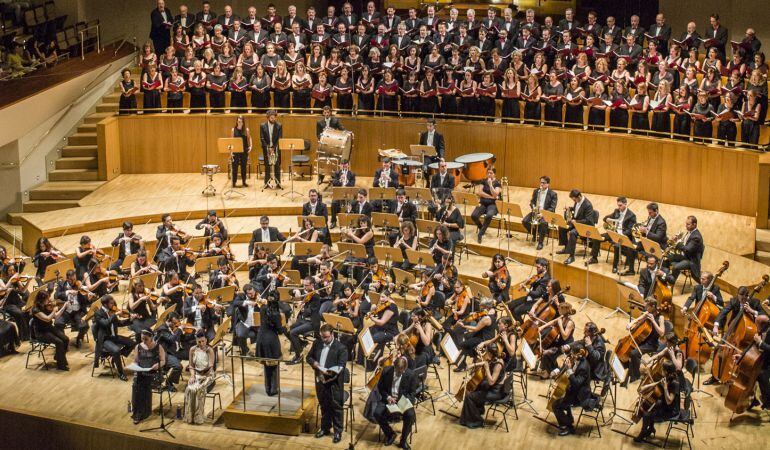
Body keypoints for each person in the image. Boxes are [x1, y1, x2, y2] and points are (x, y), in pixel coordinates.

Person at [307, 323, 348, 444]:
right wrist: (314, 363)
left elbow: (341, 366)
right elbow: (309, 357)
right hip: (320, 381)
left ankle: (337, 432)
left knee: (336, 408)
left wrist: (330, 374)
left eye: (326, 337)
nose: (324, 340)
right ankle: (325, 428)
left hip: (334, 384)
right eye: (322, 337)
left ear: (332, 334)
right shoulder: (317, 343)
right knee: (324, 406)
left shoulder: (341, 348)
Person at [459, 342, 508, 429]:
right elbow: (485, 363)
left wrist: (487, 369)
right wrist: (473, 365)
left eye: (486, 351)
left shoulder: (498, 365)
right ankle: (478, 410)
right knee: (477, 386)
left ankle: (476, 421)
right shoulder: (495, 359)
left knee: (469, 396)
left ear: (490, 353)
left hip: (495, 392)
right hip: (494, 388)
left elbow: (491, 382)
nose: (485, 353)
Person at [371, 356, 417, 449]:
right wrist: (388, 397)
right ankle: (390, 434)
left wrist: (405, 402)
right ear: (394, 367)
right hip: (388, 399)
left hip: (402, 401)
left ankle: (403, 441)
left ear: (405, 368)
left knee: (410, 415)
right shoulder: (386, 371)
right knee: (377, 413)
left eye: (402, 371)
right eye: (398, 371)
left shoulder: (411, 375)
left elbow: (412, 393)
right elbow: (380, 388)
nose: (400, 373)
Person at [634, 360, 682, 442]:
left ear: (666, 372)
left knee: (646, 415)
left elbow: (669, 401)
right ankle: (651, 429)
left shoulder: (675, 383)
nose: (661, 370)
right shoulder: (667, 377)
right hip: (665, 404)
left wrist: (665, 388)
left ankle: (643, 433)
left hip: (671, 410)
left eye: (662, 369)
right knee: (650, 406)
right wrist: (645, 386)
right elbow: (658, 383)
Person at [551, 343, 592, 436]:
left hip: (579, 395)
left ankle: (568, 427)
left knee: (555, 406)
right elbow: (565, 367)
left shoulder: (583, 367)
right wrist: (556, 371)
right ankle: (569, 418)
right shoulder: (577, 359)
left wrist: (569, 370)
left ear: (578, 354)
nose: (571, 355)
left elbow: (576, 384)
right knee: (562, 400)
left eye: (572, 354)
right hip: (572, 390)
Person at [94, 295, 137, 381]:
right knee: (116, 350)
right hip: (105, 339)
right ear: (105, 304)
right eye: (111, 303)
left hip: (114, 336)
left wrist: (130, 320)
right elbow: (105, 323)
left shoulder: (111, 312)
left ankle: (115, 357)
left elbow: (119, 323)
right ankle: (121, 373)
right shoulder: (98, 313)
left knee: (132, 342)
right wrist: (115, 315)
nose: (113, 304)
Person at [131, 329, 165, 424]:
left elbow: (163, 361)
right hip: (142, 372)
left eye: (146, 339)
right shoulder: (138, 346)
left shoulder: (158, 347)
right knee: (136, 384)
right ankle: (139, 411)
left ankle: (141, 412)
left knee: (142, 384)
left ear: (151, 337)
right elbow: (136, 361)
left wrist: (157, 366)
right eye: (142, 339)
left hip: (153, 373)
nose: (144, 341)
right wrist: (135, 367)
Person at [30, 291, 69, 371]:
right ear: (42, 299)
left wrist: (64, 307)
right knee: (59, 342)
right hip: (41, 333)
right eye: (47, 299)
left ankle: (58, 356)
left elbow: (56, 317)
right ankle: (61, 365)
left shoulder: (46, 306)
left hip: (49, 328)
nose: (49, 300)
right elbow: (47, 319)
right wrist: (54, 310)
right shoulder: (36, 309)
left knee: (65, 339)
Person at [557, 189, 596, 265]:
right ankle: (566, 248)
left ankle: (571, 256)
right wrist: (569, 208)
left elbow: (588, 220)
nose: (574, 201)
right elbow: (577, 210)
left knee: (572, 233)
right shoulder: (577, 201)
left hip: (585, 226)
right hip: (576, 223)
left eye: (574, 199)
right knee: (562, 227)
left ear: (579, 196)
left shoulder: (588, 205)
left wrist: (576, 222)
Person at [257, 292, 285, 396]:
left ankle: (267, 388)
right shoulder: (276, 314)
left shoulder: (263, 308)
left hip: (261, 338)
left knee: (266, 366)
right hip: (271, 340)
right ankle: (274, 389)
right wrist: (286, 327)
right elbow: (280, 330)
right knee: (273, 366)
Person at [184, 330, 215, 424]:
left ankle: (198, 417)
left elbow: (210, 366)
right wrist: (192, 376)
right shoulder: (192, 349)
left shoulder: (209, 350)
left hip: (208, 375)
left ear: (206, 340)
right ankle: (190, 417)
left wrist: (203, 376)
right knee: (190, 389)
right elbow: (191, 365)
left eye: (203, 341)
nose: (201, 343)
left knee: (199, 389)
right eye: (199, 342)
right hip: (196, 374)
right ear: (196, 341)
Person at [523, 176, 557, 250]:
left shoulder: (553, 194)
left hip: (545, 213)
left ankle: (540, 242)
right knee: (525, 221)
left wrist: (543, 214)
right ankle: (535, 234)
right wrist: (533, 207)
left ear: (548, 184)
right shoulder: (536, 191)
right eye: (541, 182)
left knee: (543, 223)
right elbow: (532, 201)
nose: (541, 184)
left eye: (543, 183)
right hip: (536, 211)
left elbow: (552, 208)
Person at [669, 216, 704, 284]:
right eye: (686, 224)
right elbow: (684, 243)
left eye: (688, 224)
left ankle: (671, 282)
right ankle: (666, 277)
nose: (686, 226)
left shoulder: (696, 237)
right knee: (667, 257)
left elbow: (687, 249)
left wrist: (677, 242)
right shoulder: (689, 232)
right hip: (684, 256)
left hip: (691, 260)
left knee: (676, 267)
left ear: (694, 224)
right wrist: (676, 239)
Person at [471, 168, 502, 243]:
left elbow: (496, 194)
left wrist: (491, 185)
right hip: (483, 203)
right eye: (488, 173)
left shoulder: (497, 183)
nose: (489, 174)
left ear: (494, 174)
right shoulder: (483, 181)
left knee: (489, 215)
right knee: (474, 215)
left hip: (493, 204)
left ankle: (480, 234)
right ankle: (482, 228)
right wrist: (491, 197)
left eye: (491, 173)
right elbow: (480, 192)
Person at [260, 110, 283, 189]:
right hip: (266, 148)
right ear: (268, 117)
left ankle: (278, 182)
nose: (273, 119)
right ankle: (266, 182)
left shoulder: (279, 125)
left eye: (274, 118)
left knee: (277, 165)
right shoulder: (262, 126)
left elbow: (279, 138)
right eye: (271, 118)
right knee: (267, 165)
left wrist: (273, 148)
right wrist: (268, 147)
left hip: (276, 148)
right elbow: (262, 138)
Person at [231, 115, 252, 188]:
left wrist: (250, 147)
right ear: (237, 121)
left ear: (243, 122)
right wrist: (231, 152)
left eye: (241, 121)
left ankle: (244, 181)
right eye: (238, 121)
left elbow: (249, 139)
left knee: (243, 167)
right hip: (236, 151)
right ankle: (234, 182)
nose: (240, 123)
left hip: (244, 151)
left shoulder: (246, 130)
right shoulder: (233, 130)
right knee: (235, 167)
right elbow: (231, 140)